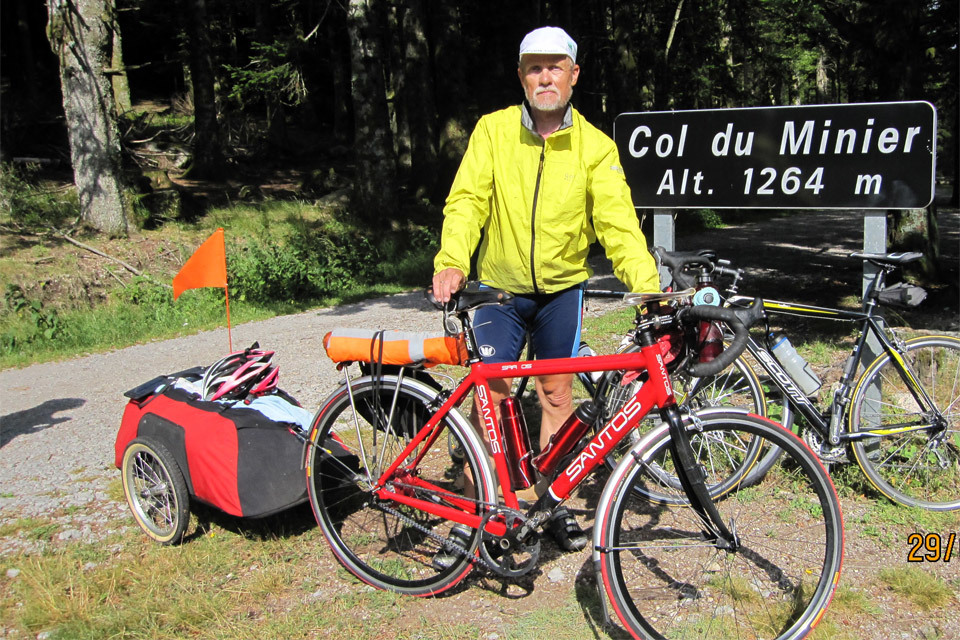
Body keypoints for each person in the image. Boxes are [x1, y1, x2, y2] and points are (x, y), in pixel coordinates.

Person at [431, 26, 660, 556]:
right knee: (492, 395)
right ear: (521, 76)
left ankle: (547, 506)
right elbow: (467, 201)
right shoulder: (492, 132)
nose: (545, 76)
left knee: (557, 395)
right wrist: (451, 262)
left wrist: (646, 287)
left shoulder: (596, 147)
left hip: (561, 293)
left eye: (555, 66)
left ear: (574, 75)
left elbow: (618, 224)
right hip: (498, 293)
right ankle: (471, 514)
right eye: (534, 67)